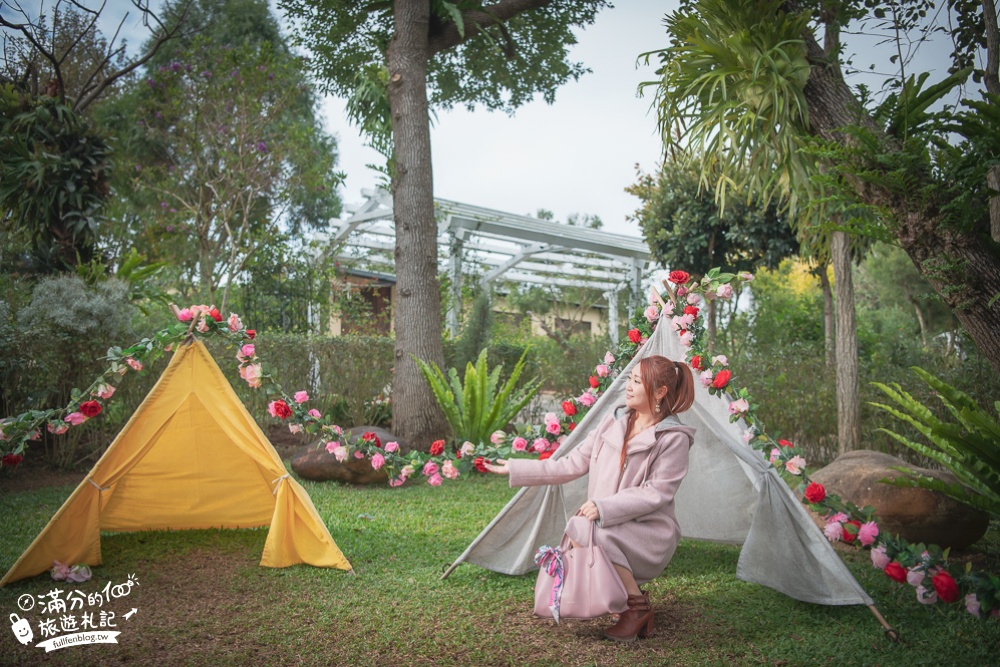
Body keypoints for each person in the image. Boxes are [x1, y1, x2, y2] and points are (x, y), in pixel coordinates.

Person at [485, 355, 696, 642]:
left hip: (649, 530)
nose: (629, 386)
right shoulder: (613, 422)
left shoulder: (673, 438)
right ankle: (624, 600)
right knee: (582, 526)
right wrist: (516, 466)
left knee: (590, 529)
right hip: (606, 524)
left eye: (638, 381)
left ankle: (637, 608)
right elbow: (569, 464)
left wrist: (603, 506)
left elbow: (658, 492)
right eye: (630, 379)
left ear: (660, 392)